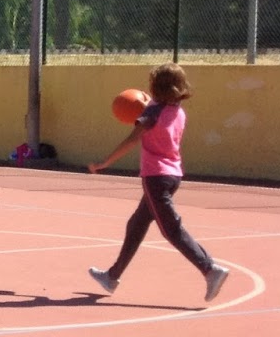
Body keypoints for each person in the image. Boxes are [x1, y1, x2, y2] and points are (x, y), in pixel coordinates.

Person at [86, 63, 229, 303]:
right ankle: (112, 276)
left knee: (171, 229)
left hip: (156, 178)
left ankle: (209, 270)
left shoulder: (152, 113)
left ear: (155, 86)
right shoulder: (178, 111)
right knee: (136, 225)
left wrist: (105, 162)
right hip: (173, 176)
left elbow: (132, 140)